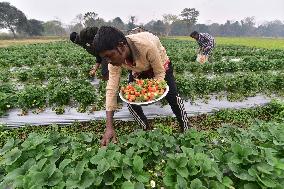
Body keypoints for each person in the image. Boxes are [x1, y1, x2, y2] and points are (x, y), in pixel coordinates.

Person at [93, 26, 190, 146]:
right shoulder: (114, 61)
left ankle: (187, 129)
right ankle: (146, 129)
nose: (108, 61)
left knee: (173, 97)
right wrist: (109, 127)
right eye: (105, 58)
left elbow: (159, 73)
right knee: (131, 102)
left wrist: (152, 93)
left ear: (121, 46)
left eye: (109, 56)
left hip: (160, 65)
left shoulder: (146, 46)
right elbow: (111, 88)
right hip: (137, 69)